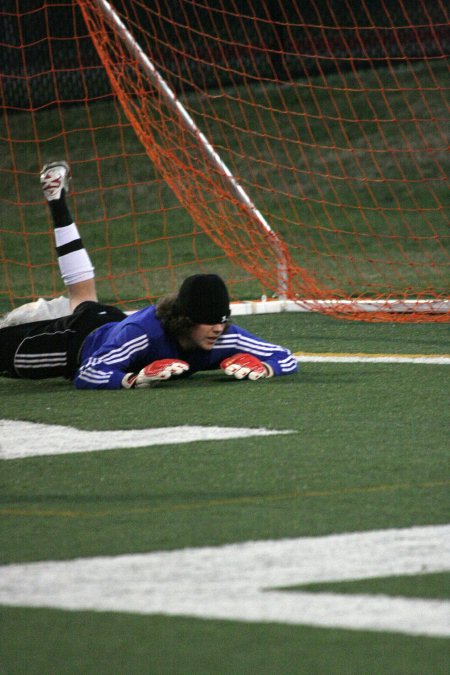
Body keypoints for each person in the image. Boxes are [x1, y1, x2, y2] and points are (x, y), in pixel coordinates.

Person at [0, 161, 298, 389]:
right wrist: (135, 378)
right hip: (72, 342)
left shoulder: (222, 334)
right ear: (186, 318)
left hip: (110, 322)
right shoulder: (144, 332)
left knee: (82, 296)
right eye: (210, 320)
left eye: (222, 319)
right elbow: (88, 373)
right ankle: (56, 203)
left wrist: (265, 367)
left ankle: (57, 201)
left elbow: (284, 356)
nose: (219, 328)